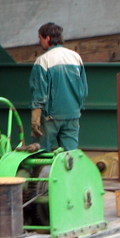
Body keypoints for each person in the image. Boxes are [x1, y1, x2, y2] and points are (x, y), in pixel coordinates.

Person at [30, 22, 88, 151]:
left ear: (48, 38)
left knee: (39, 153)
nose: (40, 42)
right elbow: (83, 89)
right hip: (72, 115)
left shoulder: (43, 60)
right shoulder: (75, 57)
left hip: (51, 116)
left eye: (40, 38)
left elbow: (39, 92)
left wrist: (35, 117)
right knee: (70, 157)